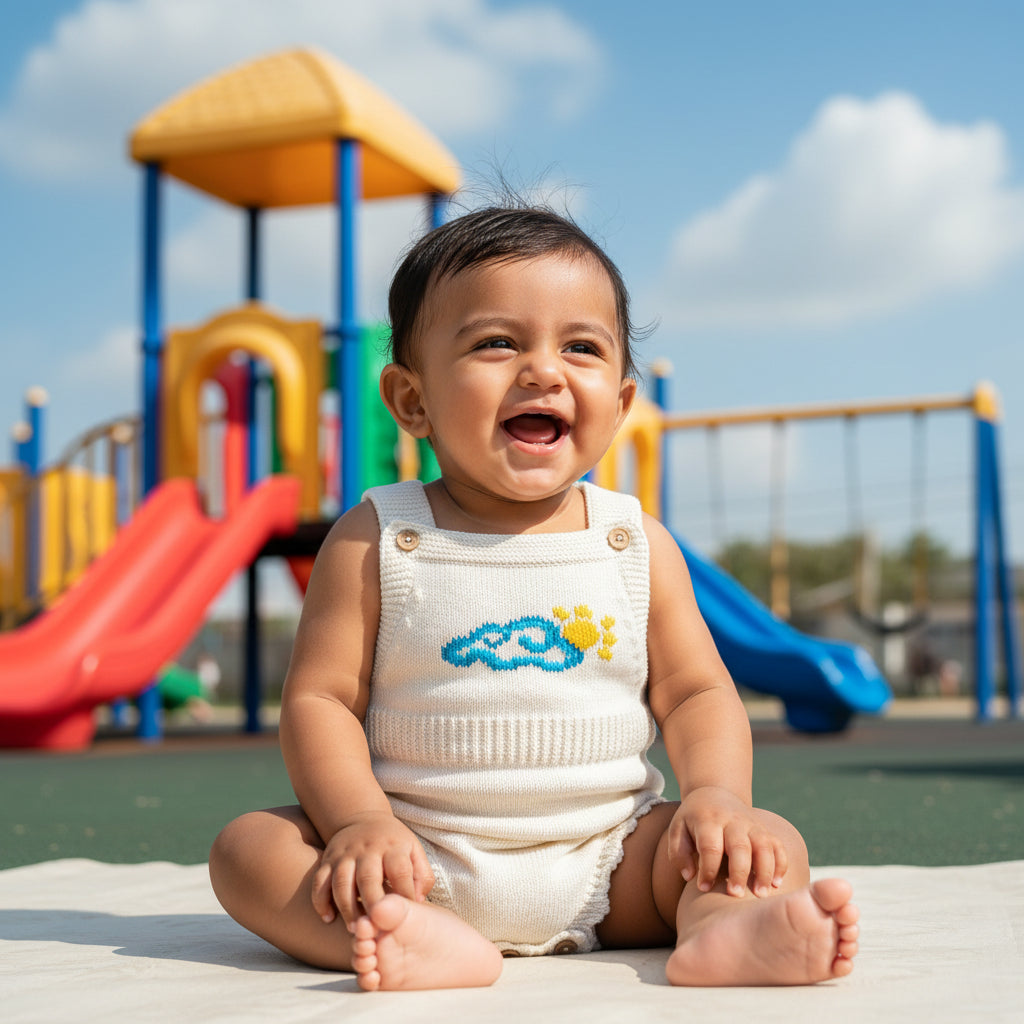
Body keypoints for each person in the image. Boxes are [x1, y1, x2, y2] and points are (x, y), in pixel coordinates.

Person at [209, 205, 859, 992]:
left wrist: (718, 798)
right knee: (248, 850)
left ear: (620, 404)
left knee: (768, 841)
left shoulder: (633, 541)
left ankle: (722, 929)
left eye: (580, 347)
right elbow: (322, 700)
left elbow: (695, 691)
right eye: (497, 343)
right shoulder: (377, 536)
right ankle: (409, 935)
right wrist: (359, 822)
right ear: (411, 400)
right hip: (413, 856)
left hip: (615, 858)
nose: (544, 371)